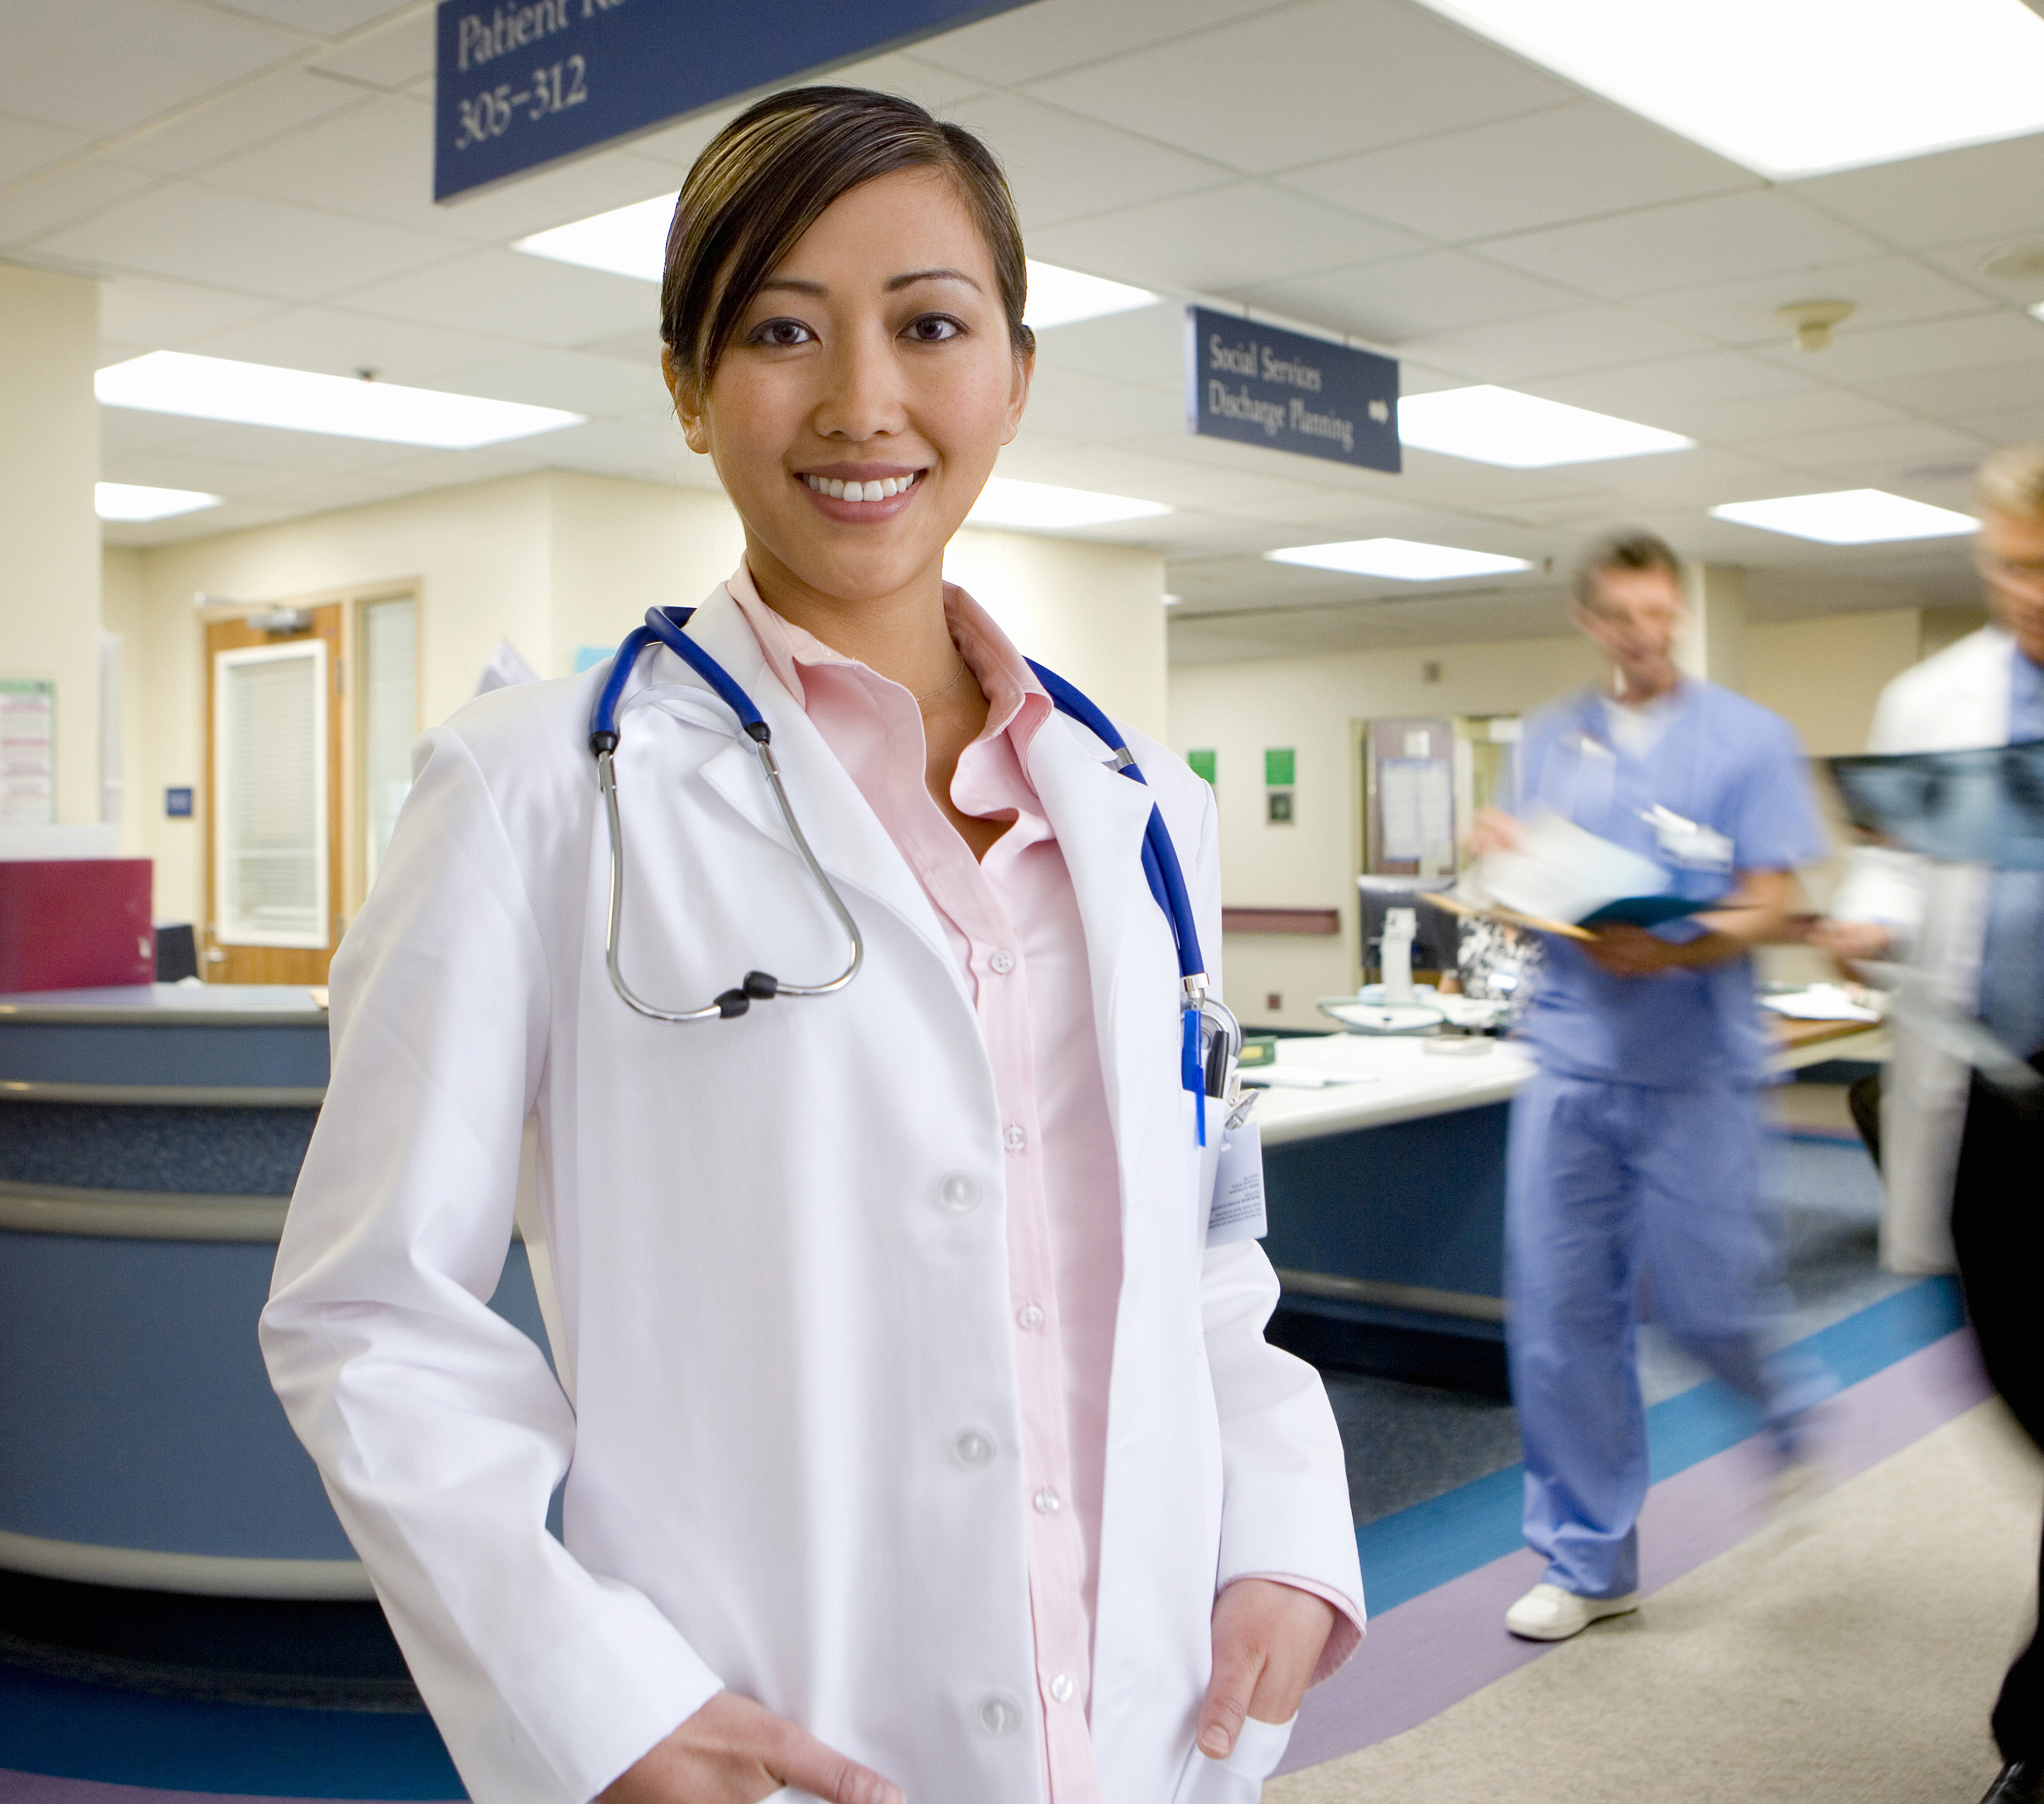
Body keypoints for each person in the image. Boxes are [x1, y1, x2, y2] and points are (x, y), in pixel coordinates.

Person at [261, 88, 1362, 1804]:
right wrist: (584, 1692)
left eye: (929, 324)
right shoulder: (529, 793)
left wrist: (1285, 1527)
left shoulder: (1142, 808)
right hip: (770, 1724)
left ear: (1010, 373)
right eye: (781, 329)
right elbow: (368, 1316)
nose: (863, 401)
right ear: (690, 389)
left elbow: (1205, 1249)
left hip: (1146, 1712)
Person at [1815, 446, 2044, 1804]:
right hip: (1976, 1083)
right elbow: (1891, 857)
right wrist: (1863, 919)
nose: (2032, 591)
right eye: (2010, 564)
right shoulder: (1929, 696)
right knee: (2006, 1361)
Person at [1477, 531, 1832, 1644]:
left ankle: (1782, 1406)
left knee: (1707, 1302)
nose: (1647, 635)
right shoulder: (1547, 741)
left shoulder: (1746, 741)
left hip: (1694, 1067)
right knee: (1559, 1318)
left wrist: (1676, 948)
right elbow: (1510, 883)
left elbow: (1774, 903)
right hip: (1573, 1058)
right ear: (1589, 622)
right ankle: (1588, 1563)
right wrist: (1502, 868)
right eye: (1624, 616)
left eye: (1661, 614)